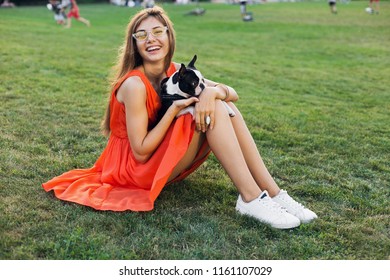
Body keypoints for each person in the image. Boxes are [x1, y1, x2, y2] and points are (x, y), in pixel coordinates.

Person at [42, 6, 317, 229]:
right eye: (142, 35)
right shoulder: (134, 85)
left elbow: (233, 93)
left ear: (169, 36)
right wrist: (175, 109)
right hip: (133, 171)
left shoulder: (176, 71)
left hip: (161, 161)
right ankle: (249, 197)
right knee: (213, 109)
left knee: (220, 104)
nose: (151, 39)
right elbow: (139, 152)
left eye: (157, 31)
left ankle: (273, 192)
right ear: (134, 44)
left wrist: (213, 92)